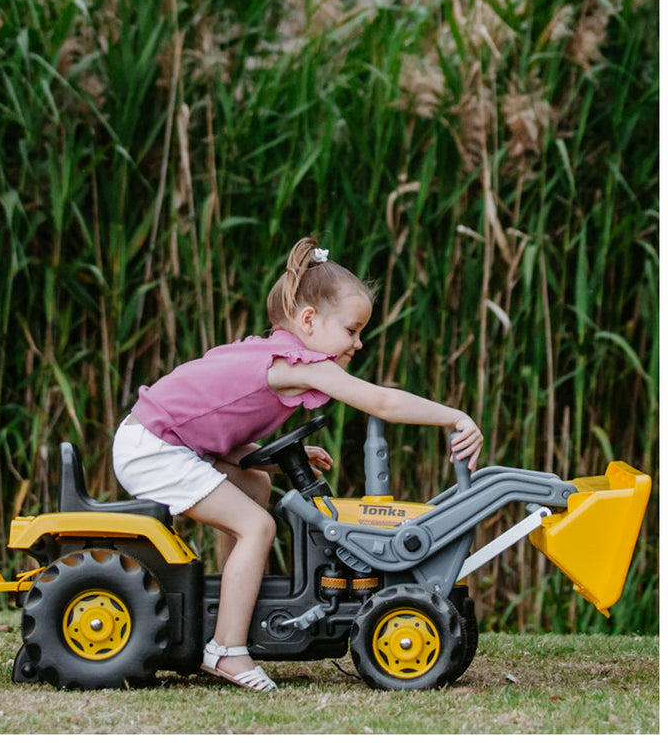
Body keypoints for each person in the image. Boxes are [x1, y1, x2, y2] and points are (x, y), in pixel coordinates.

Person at [112, 235, 484, 692]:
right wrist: (454, 416)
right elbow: (381, 402)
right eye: (351, 330)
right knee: (257, 527)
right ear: (309, 320)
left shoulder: (269, 355)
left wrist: (281, 458)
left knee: (255, 489)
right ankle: (227, 650)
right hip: (154, 448)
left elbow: (211, 428)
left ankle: (235, 621)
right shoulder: (299, 362)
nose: (358, 343)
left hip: (161, 438)